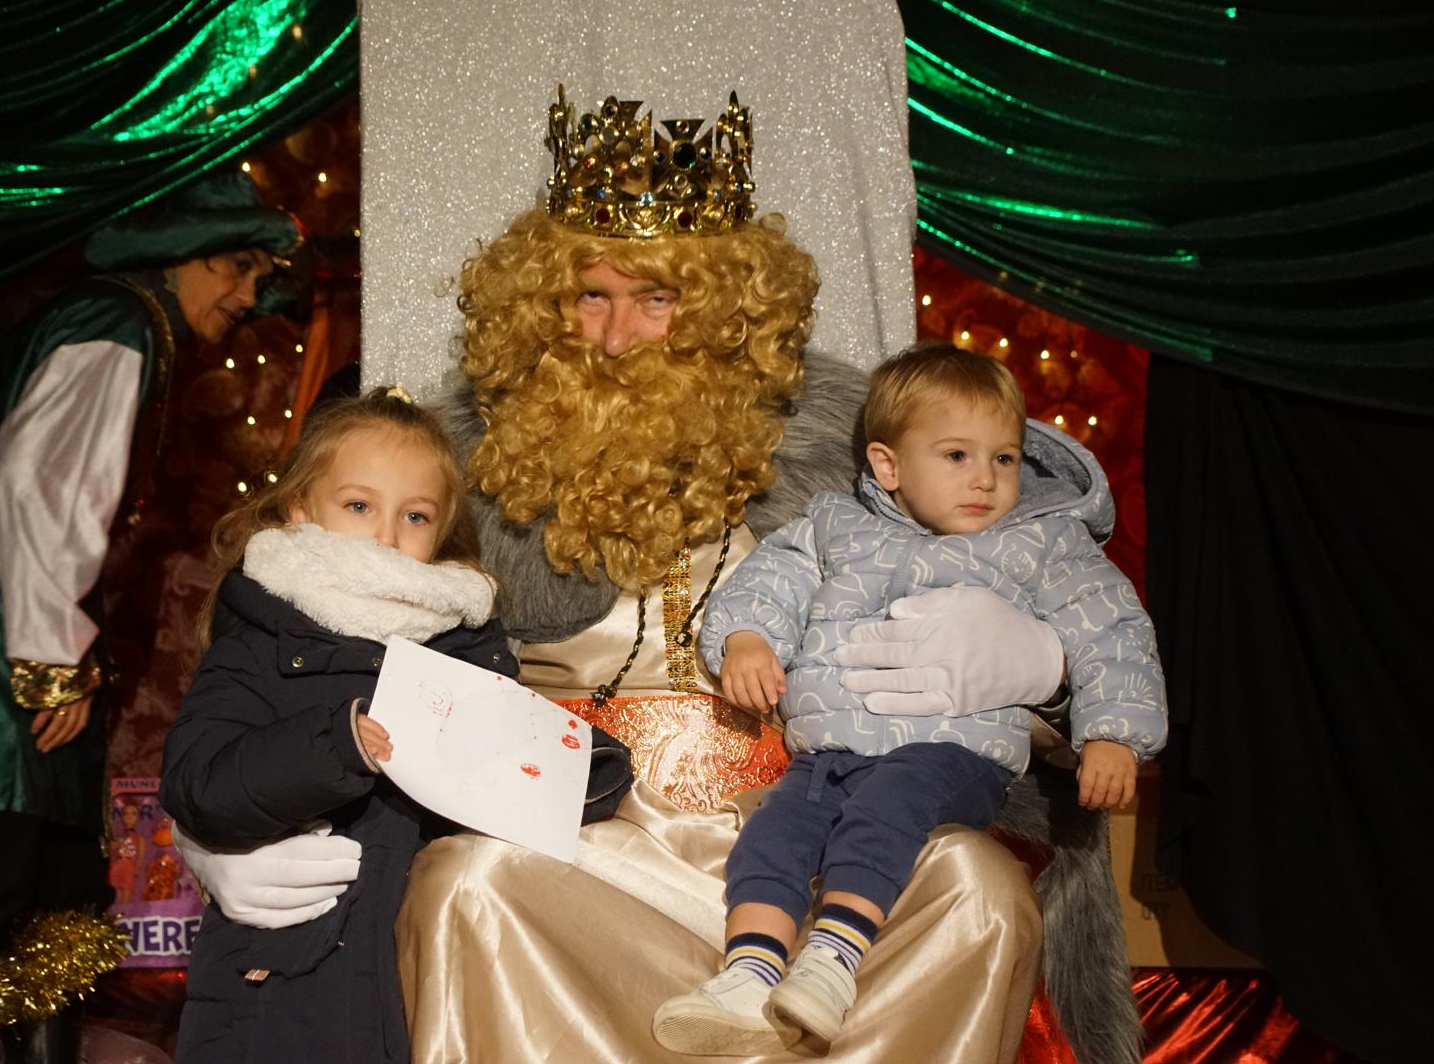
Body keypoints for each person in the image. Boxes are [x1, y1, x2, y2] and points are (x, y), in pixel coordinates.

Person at [183, 89, 1143, 1064]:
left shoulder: (852, 443)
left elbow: (1033, 532)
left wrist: (1047, 666)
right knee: (468, 884)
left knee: (976, 890)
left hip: (812, 824)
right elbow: (314, 616)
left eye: (656, 299)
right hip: (579, 839)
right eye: (589, 296)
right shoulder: (458, 459)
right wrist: (225, 816)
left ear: (723, 308)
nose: (615, 336)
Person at [0, 170, 301, 1064]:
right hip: (2, 604)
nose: (248, 296)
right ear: (178, 258)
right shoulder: (116, 325)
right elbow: (46, 485)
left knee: (61, 870)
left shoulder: (114, 319)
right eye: (236, 267)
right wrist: (51, 656)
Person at [653, 343, 1167, 1054]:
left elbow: (1112, 629)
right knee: (774, 834)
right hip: (832, 747)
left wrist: (1113, 733)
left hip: (950, 750)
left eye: (1004, 458)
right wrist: (746, 639)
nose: (984, 479)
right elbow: (772, 578)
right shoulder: (835, 525)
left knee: (885, 810)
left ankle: (834, 958)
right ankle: (750, 970)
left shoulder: (1043, 543)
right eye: (956, 456)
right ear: (889, 466)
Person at [157, 392, 527, 1064]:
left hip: (427, 972)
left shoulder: (468, 645)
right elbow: (198, 779)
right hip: (285, 984)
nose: (385, 536)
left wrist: (580, 773)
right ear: (302, 508)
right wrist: (334, 746)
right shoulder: (265, 637)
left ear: (441, 531)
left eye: (414, 516)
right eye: (359, 506)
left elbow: (507, 781)